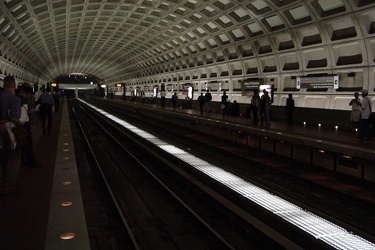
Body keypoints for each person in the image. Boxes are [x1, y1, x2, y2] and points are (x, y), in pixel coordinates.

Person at [0, 76, 24, 195]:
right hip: (11, 132)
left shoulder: (1, 96)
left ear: (4, 85)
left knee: (3, 158)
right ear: (13, 85)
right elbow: (15, 117)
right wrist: (21, 123)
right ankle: (9, 186)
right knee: (13, 159)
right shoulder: (15, 99)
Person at [19, 85, 40, 168]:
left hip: (24, 123)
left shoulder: (20, 99)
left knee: (25, 144)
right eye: (30, 94)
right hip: (24, 124)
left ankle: (24, 160)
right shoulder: (22, 100)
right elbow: (23, 113)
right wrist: (32, 110)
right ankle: (31, 162)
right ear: (27, 93)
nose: (30, 96)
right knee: (28, 143)